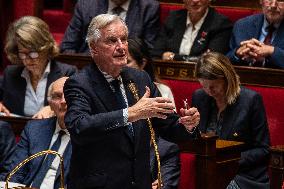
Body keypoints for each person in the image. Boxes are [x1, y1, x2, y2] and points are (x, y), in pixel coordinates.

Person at [63, 14, 200, 189]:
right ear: (93, 47)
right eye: (112, 41)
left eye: (124, 39)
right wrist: (131, 113)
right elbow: (79, 127)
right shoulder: (79, 83)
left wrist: (187, 125)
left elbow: (166, 125)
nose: (121, 47)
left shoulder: (140, 78)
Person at [191, 52, 270, 189]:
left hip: (243, 174)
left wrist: (229, 160)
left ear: (227, 78)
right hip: (206, 171)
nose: (209, 91)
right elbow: (195, 140)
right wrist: (189, 126)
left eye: (214, 86)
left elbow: (263, 149)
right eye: (204, 86)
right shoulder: (199, 97)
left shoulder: (251, 100)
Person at [0, 77, 72, 189]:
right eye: (57, 96)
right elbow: (16, 173)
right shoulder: (34, 129)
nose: (63, 101)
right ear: (50, 104)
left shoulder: (89, 136)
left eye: (69, 95)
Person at [127, 38, 180, 189]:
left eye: (128, 61)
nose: (123, 66)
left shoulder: (161, 91)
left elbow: (167, 132)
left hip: (151, 153)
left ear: (143, 63)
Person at [1, 16, 76, 118]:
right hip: (16, 131)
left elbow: (76, 106)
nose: (27, 60)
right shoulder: (10, 74)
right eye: (22, 54)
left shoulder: (67, 73)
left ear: (45, 48)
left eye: (33, 53)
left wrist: (52, 108)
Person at [60, 0, 160, 53]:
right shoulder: (86, 5)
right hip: (88, 66)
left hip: (126, 70)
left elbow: (148, 50)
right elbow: (67, 46)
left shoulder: (148, 8)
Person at [151, 0, 232, 61]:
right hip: (169, 72)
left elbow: (211, 60)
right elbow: (156, 53)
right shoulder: (173, 18)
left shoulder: (221, 23)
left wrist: (173, 56)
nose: (195, 1)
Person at [227, 0, 284, 68]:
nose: (273, 5)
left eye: (280, 0)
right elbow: (226, 60)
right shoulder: (242, 25)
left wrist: (272, 51)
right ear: (261, 1)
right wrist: (237, 54)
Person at [127, 37, 176, 107]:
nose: (122, 65)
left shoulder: (163, 90)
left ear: (143, 63)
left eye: (127, 62)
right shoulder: (115, 90)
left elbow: (172, 117)